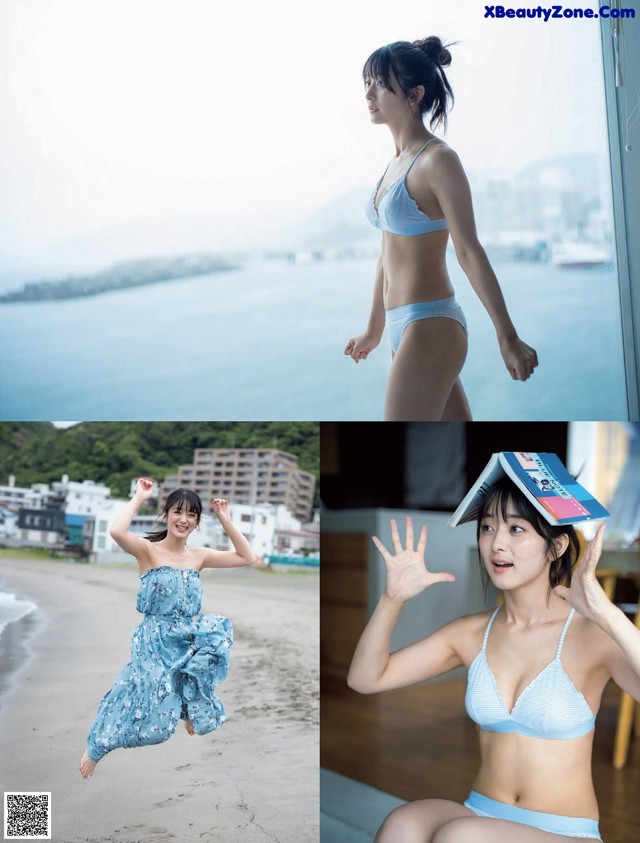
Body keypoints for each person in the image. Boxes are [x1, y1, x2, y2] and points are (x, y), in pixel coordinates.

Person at [348, 476, 640, 841]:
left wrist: (606, 613)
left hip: (565, 831)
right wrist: (393, 599)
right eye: (488, 527)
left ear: (557, 546)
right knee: (403, 823)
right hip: (481, 812)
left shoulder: (590, 635)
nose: (497, 544)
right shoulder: (470, 634)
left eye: (516, 529)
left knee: (463, 837)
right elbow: (365, 679)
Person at [344, 37, 538, 421]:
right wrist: (374, 329)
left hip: (431, 325)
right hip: (406, 327)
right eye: (367, 81)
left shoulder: (439, 161)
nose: (368, 92)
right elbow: (387, 254)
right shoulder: (394, 165)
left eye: (380, 83)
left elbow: (468, 250)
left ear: (414, 94)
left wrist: (508, 336)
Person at [79, 478, 256, 779]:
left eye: (191, 515)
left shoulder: (199, 556)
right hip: (154, 641)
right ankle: (98, 744)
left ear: (197, 522)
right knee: (156, 727)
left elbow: (247, 557)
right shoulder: (147, 551)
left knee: (215, 635)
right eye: (178, 512)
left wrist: (225, 519)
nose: (184, 519)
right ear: (167, 514)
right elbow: (116, 531)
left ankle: (187, 705)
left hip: (186, 638)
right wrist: (139, 496)